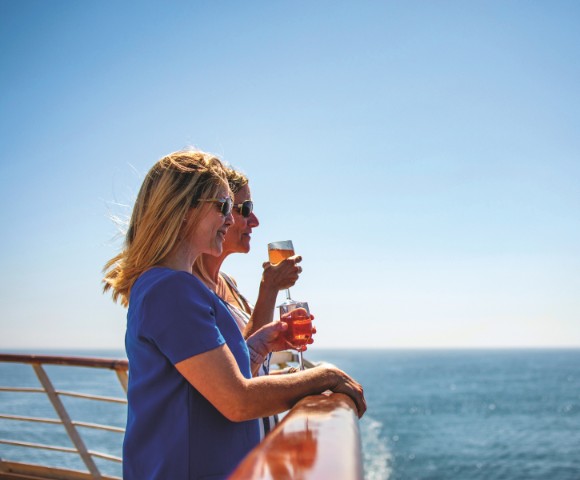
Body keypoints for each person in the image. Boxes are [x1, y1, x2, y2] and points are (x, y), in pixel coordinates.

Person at [103, 150, 366, 480]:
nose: (230, 219)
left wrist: (256, 345)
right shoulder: (170, 289)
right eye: (224, 206)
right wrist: (326, 376)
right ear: (185, 209)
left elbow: (204, 384)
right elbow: (236, 401)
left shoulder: (172, 286)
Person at [193, 166, 304, 438]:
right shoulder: (186, 292)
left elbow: (245, 363)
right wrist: (270, 288)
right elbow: (230, 387)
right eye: (244, 209)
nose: (254, 221)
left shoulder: (227, 283)